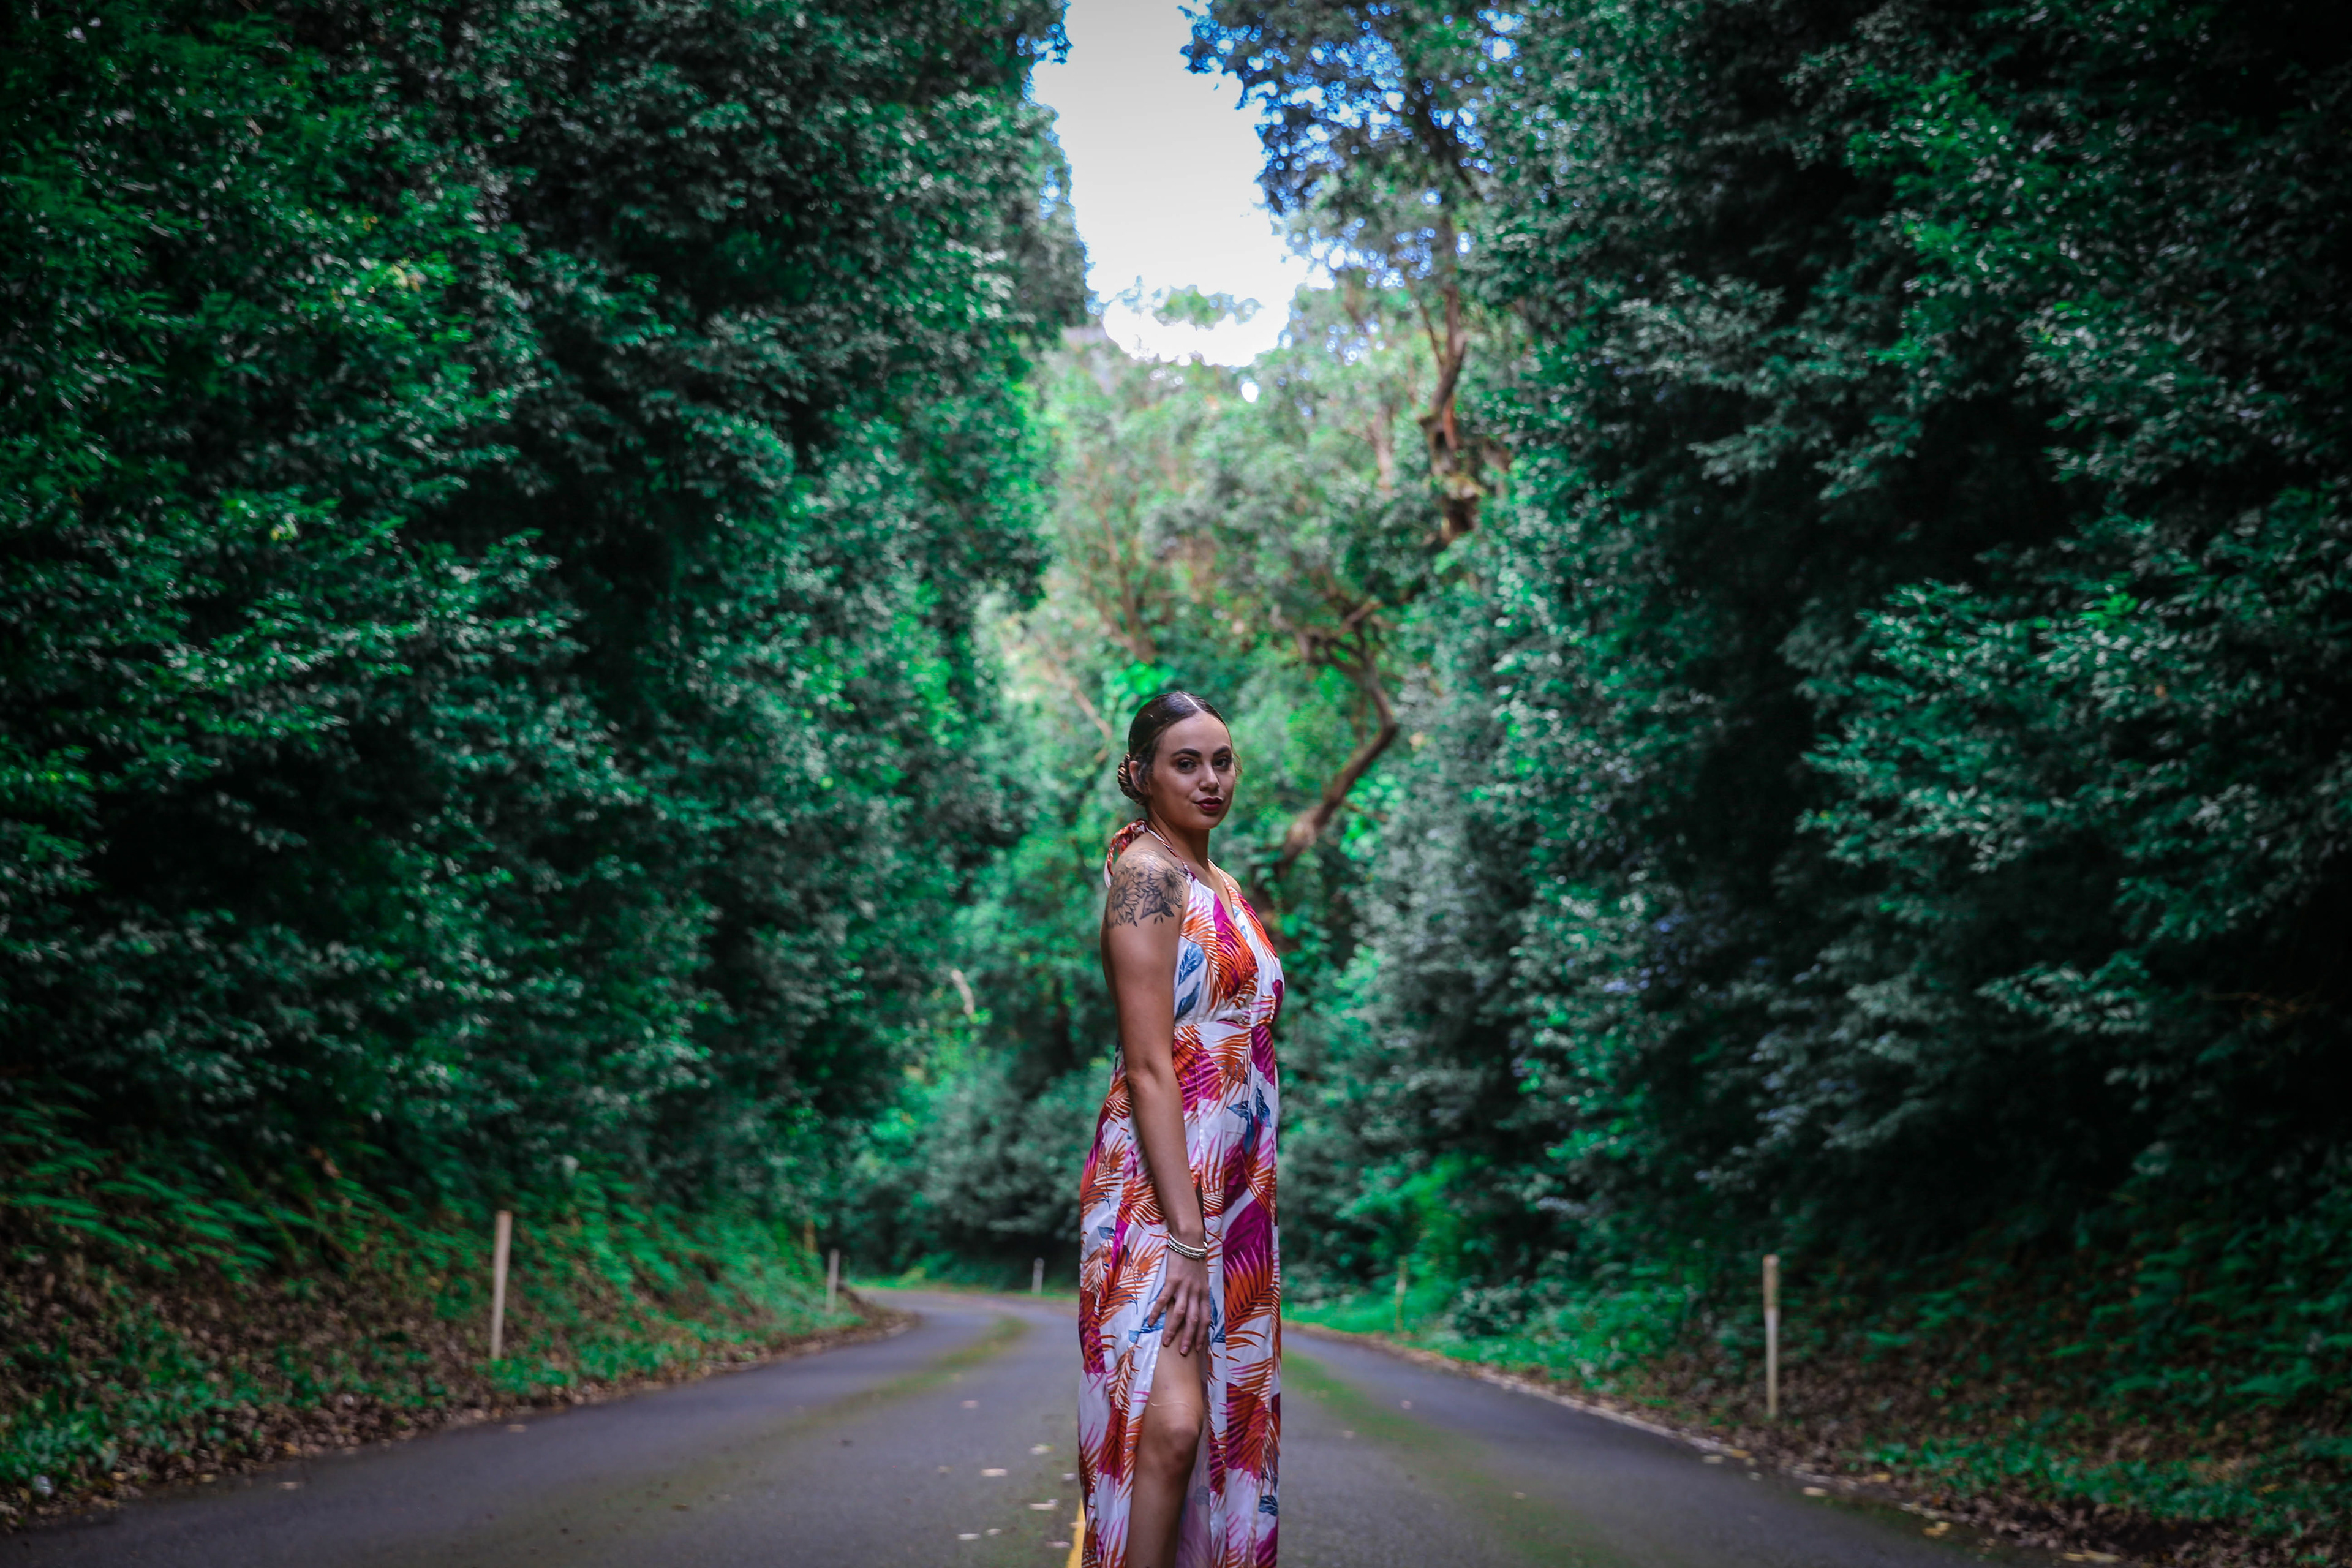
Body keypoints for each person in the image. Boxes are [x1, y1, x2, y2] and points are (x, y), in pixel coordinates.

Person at [1077, 692, 1283, 1568]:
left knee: (1209, 1429)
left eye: (1222, 760)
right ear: (1140, 775)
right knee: (1168, 1425)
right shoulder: (1149, 877)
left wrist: (1225, 1223)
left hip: (1235, 1196)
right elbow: (1153, 1062)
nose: (1210, 778)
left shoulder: (1222, 885)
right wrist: (1190, 1240)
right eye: (1186, 762)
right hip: (1157, 1191)